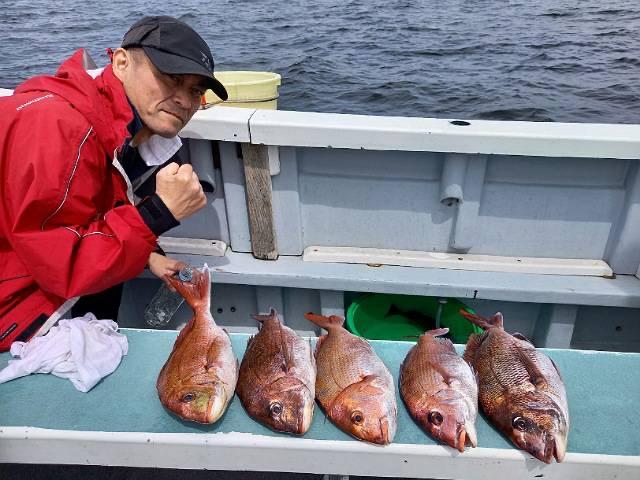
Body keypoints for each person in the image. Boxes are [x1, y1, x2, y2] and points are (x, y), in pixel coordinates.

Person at [0, 16, 229, 351]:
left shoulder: (113, 124)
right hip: (14, 308)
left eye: (195, 90)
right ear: (121, 63)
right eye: (171, 78)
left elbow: (86, 211)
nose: (184, 100)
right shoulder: (60, 128)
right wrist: (158, 213)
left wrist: (148, 255)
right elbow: (62, 267)